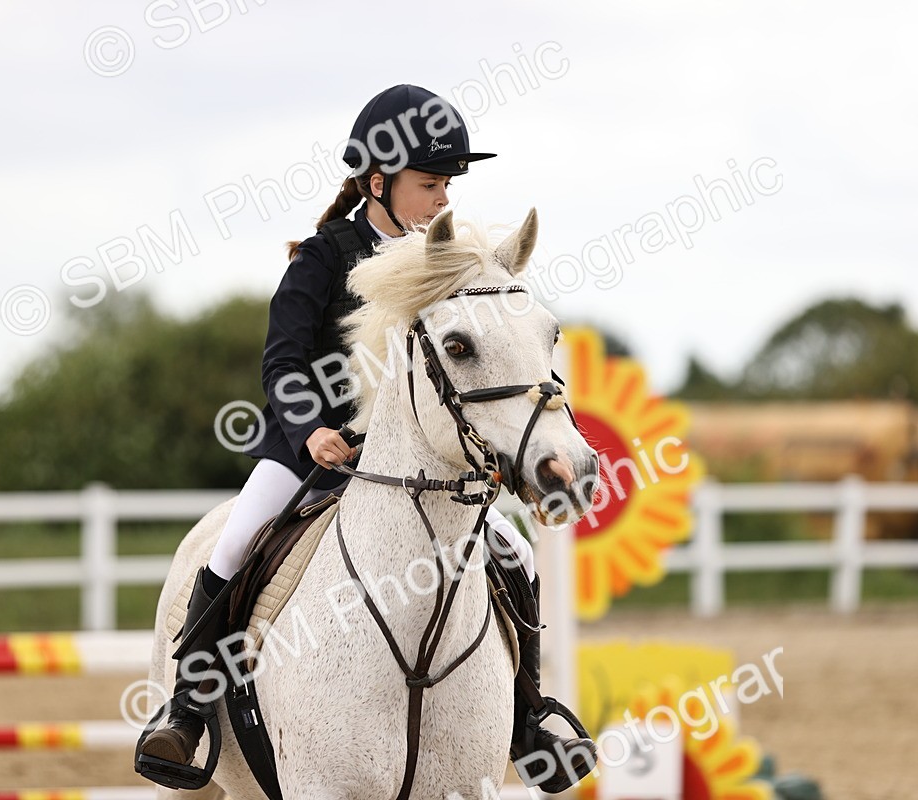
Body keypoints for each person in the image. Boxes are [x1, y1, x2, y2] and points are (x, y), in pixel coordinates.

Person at [137, 84, 594, 793]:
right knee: (232, 542)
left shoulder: (449, 268)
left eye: (446, 185)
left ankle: (530, 714)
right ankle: (188, 711)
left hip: (415, 461)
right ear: (378, 181)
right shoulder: (322, 258)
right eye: (429, 184)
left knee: (518, 556)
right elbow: (283, 363)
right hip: (312, 452)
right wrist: (309, 429)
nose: (441, 199)